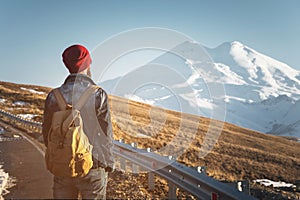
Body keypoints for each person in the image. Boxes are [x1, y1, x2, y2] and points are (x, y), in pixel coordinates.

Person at [42, 44, 114, 199]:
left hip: (63, 167)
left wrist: (62, 155)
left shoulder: (54, 96)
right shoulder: (98, 94)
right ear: (88, 63)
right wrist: (108, 163)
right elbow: (105, 134)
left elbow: (47, 134)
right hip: (93, 168)